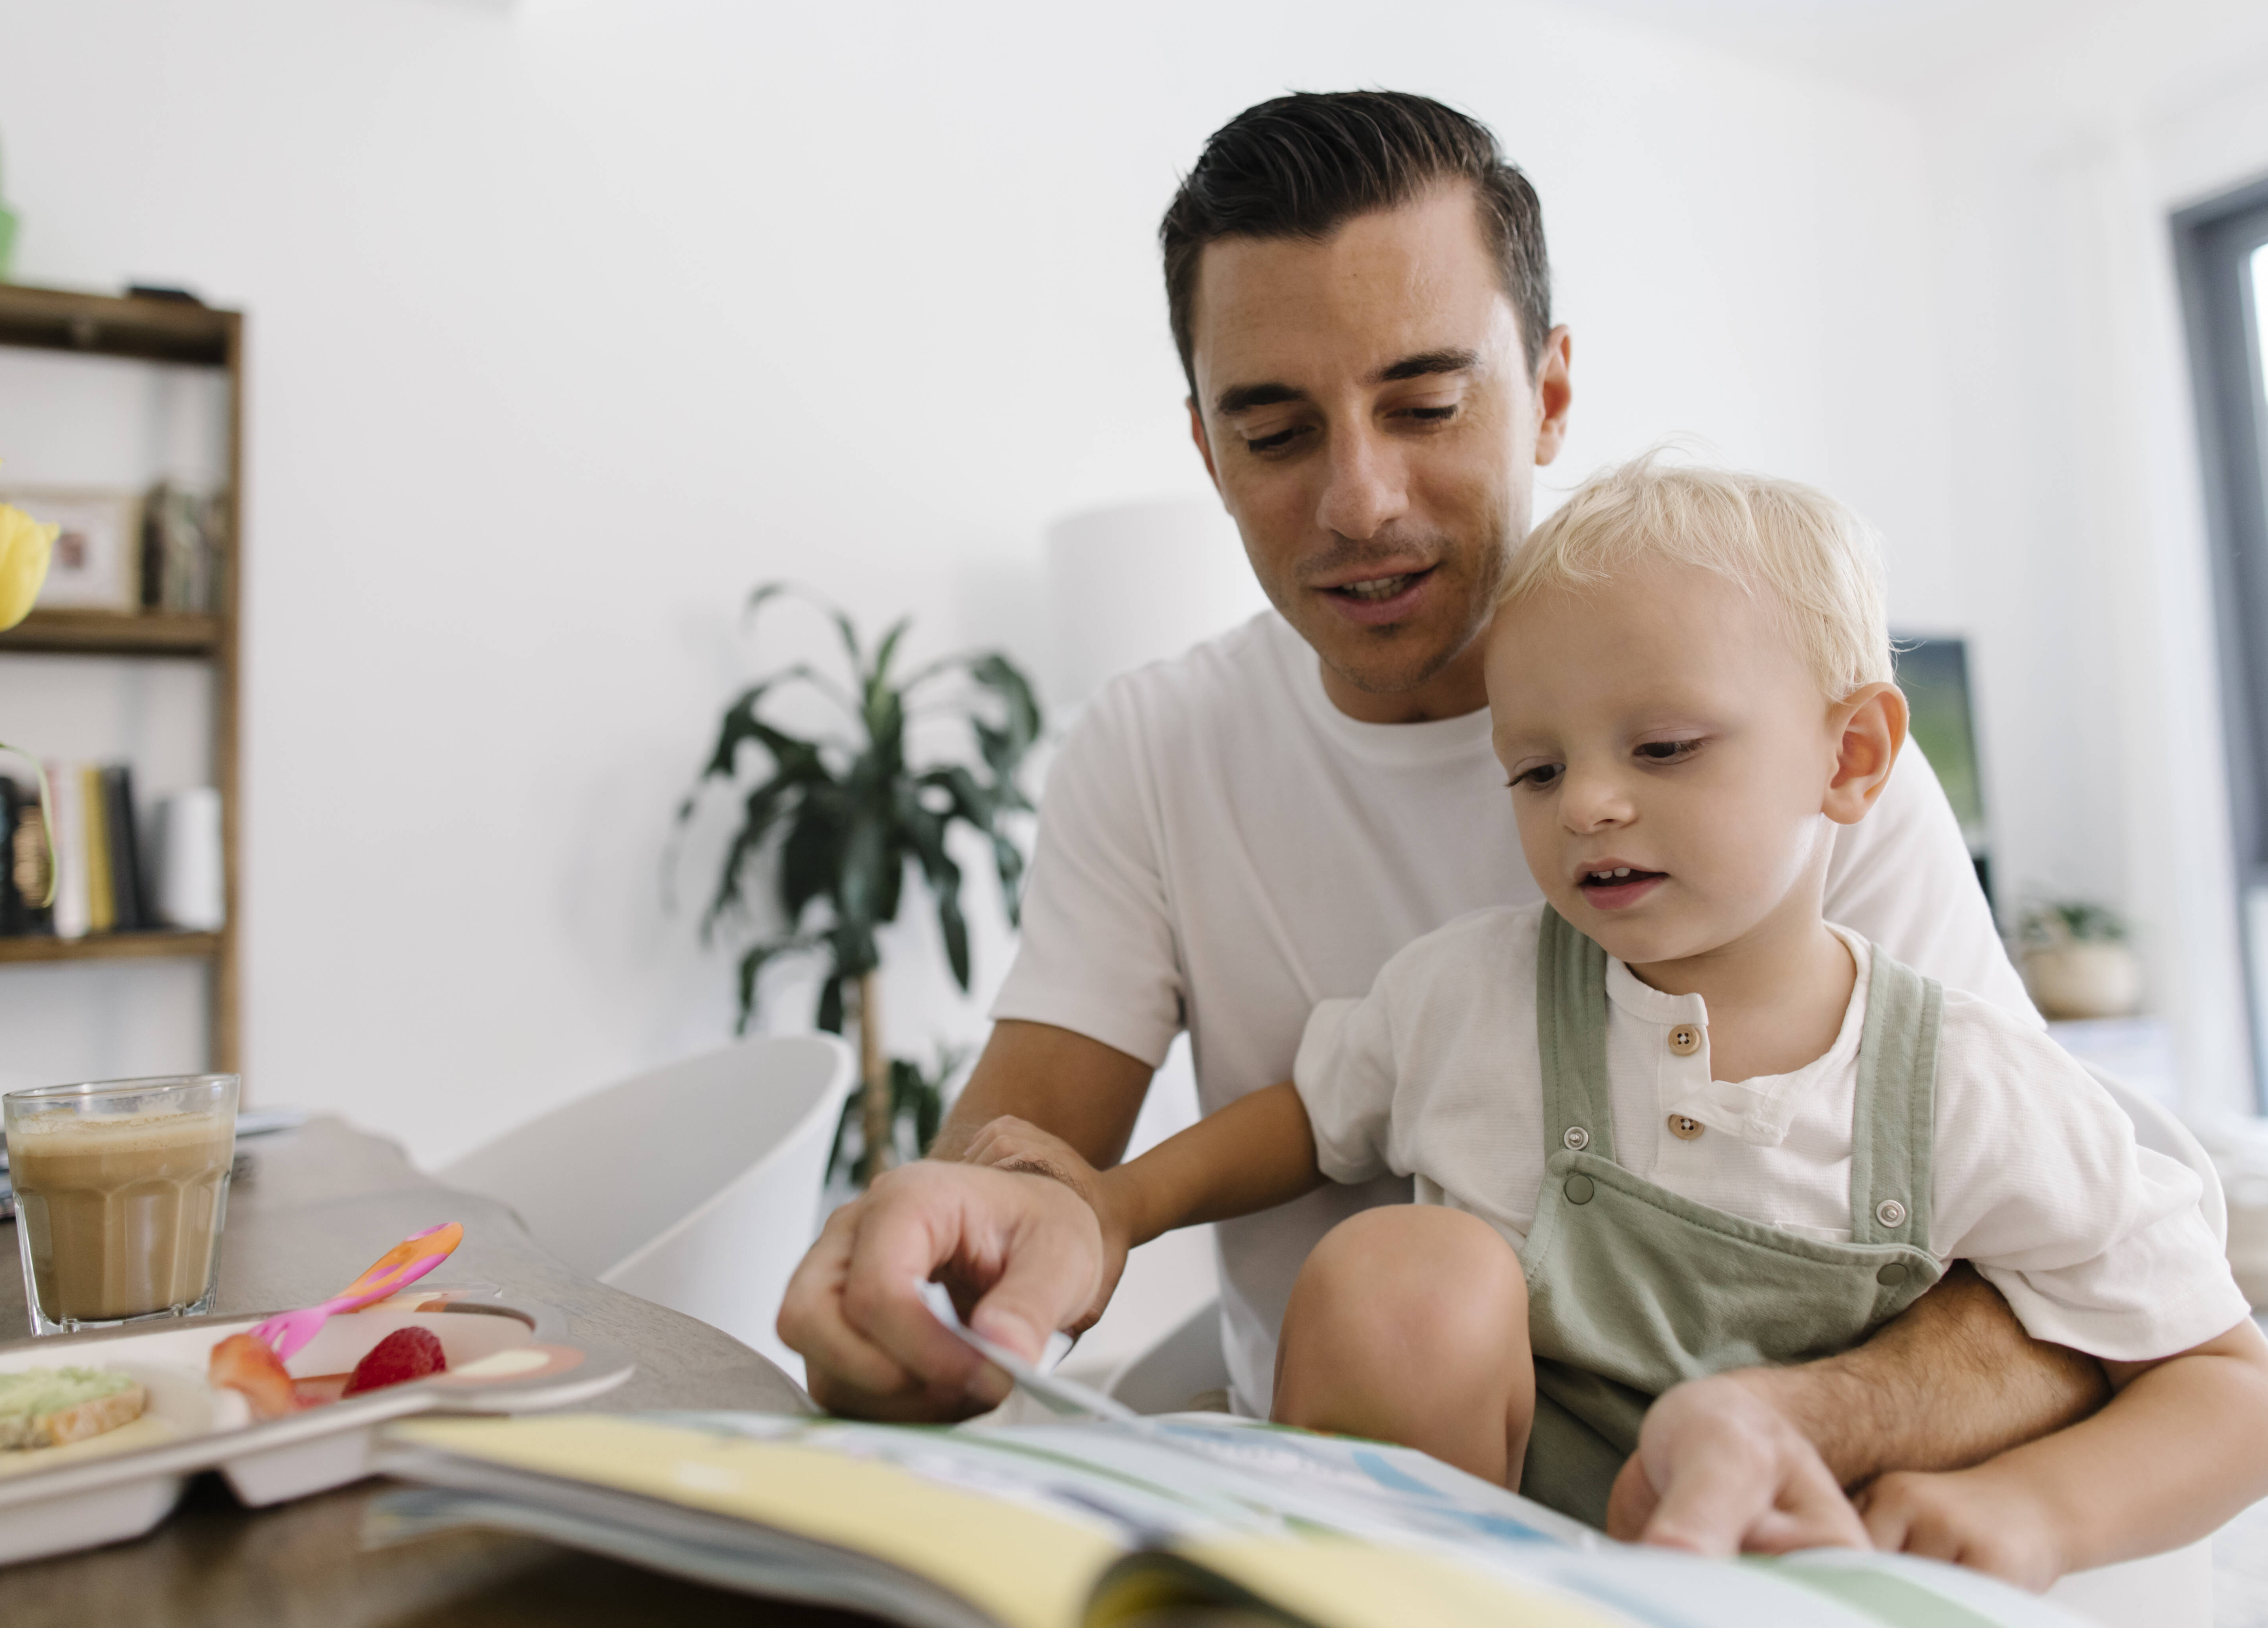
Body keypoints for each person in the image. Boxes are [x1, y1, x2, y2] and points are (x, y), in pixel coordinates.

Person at [779, 90, 2166, 1552]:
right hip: (1357, 1506)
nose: (1359, 501)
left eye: (1429, 408)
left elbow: (2067, 1282)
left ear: (1552, 394)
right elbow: (1023, 1190)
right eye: (1274, 431)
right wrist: (943, 1268)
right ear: (1205, 450)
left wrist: (1788, 1425)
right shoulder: (1156, 747)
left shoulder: (1787, 758)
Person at [965, 455, 2268, 1586]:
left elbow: (2235, 1394)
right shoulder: (1466, 993)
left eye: (1662, 749)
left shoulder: (1970, 1081)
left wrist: (2036, 1511)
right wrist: (1117, 1202)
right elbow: (1308, 1119)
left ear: (1852, 759)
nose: (1587, 806)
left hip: (1785, 1584)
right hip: (1490, 1579)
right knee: (1400, 1265)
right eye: (1536, 769)